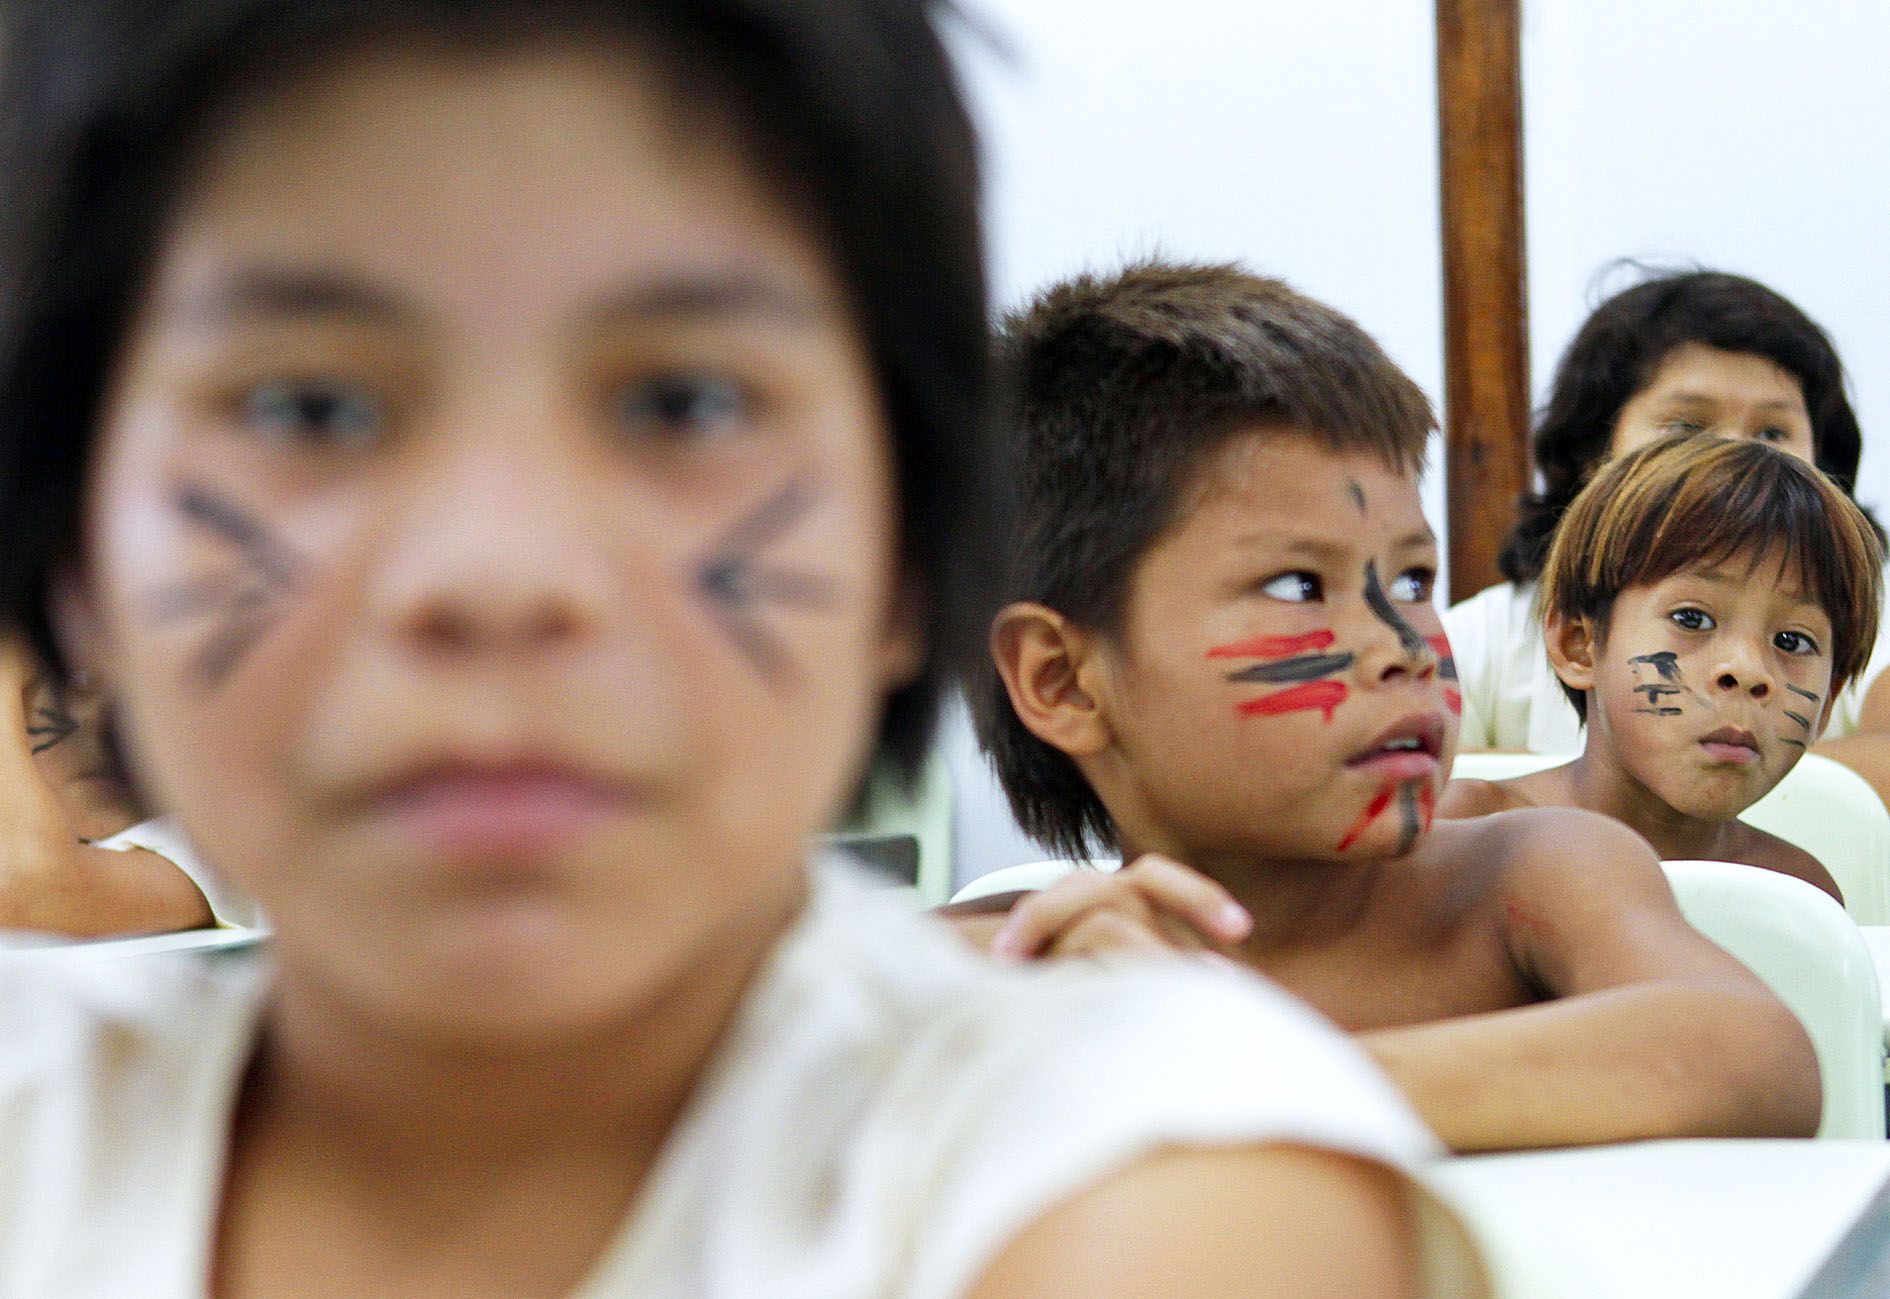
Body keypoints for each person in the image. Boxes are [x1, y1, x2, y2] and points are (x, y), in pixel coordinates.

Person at [0, 2, 1486, 1295]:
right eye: (306, 409)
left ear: (908, 547)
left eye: (683, 406)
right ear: (70, 550)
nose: (503, 577)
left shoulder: (1141, 1176)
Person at [969, 261, 1819, 1153]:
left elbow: (1754, 1057)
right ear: (1063, 680)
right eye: (1301, 584)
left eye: (1413, 579)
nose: (1405, 644)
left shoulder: (1524, 878)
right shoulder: (1026, 964)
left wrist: (1241, 1076)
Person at [1446, 267, 1890, 756]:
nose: (1732, 461)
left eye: (1771, 434)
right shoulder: (1490, 635)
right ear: (1594, 454)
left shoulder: (1868, 604)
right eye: (1687, 427)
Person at [1438, 436, 1881, 897]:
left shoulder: (1796, 894)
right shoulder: (1470, 837)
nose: (1748, 670)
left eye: (1792, 641)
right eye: (1692, 618)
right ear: (1580, 646)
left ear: (1828, 701)